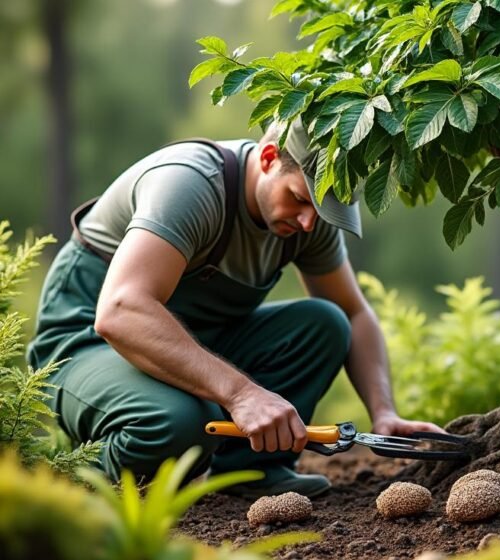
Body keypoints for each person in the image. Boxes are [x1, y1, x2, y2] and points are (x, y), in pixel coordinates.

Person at [27, 120, 443, 498]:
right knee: (180, 421)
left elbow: (353, 312)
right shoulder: (190, 186)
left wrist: (383, 411)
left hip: (190, 341)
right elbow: (120, 311)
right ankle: (67, 490)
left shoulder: (308, 221)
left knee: (325, 324)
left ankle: (252, 472)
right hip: (86, 344)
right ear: (267, 159)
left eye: (322, 211)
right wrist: (242, 395)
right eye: (299, 198)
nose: (307, 223)